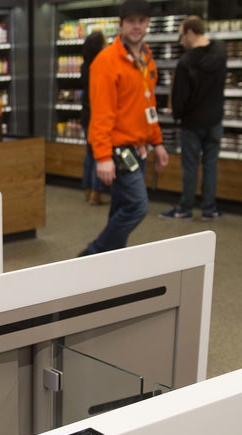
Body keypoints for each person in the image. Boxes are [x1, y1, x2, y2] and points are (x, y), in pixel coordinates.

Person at [79, 0, 168, 256]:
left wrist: (158, 142)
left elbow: (148, 106)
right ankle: (93, 255)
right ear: (121, 24)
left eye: (141, 21)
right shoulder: (106, 62)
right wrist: (103, 156)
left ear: (148, 23)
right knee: (137, 207)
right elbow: (102, 114)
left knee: (120, 208)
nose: (136, 26)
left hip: (139, 149)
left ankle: (109, 263)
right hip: (119, 151)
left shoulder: (146, 60)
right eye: (131, 21)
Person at [161, 15, 226, 221]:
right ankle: (209, 208)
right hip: (215, 119)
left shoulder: (186, 62)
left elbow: (180, 97)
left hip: (192, 122)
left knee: (190, 166)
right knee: (210, 165)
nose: (181, 42)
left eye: (181, 36)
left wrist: (176, 113)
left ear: (190, 32)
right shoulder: (220, 52)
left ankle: (185, 208)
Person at [79, 31, 107, 206]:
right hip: (97, 115)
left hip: (85, 115)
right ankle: (96, 192)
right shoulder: (100, 66)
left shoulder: (84, 66)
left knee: (89, 154)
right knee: (98, 155)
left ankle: (87, 189)